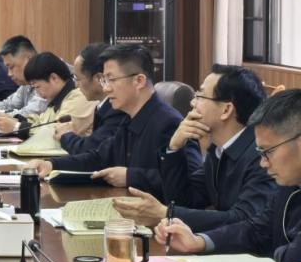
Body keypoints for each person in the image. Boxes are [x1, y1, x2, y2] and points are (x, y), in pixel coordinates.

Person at [24, 44, 201, 199]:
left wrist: (131, 176)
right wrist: (51, 164)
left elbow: (191, 184)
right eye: (104, 80)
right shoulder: (129, 117)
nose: (106, 88)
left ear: (139, 81)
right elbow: (99, 157)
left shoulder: (169, 123)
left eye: (111, 80)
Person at [114, 65, 276, 229]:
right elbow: (186, 200)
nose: (192, 102)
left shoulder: (262, 155)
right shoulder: (218, 150)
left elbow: (244, 220)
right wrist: (174, 149)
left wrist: (167, 213)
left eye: (200, 96)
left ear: (226, 110)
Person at [157, 89, 301, 262]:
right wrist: (198, 242)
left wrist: (278, 253)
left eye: (268, 152)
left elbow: (293, 259)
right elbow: (257, 229)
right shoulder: (289, 184)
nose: (263, 163)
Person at [0, 52, 93, 151]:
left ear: (54, 78)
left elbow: (55, 133)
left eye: (37, 87)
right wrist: (16, 119)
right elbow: (40, 121)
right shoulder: (56, 100)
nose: (38, 94)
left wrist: (17, 126)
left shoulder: (79, 98)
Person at [54, 42, 127, 155]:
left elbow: (93, 151)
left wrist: (66, 135)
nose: (76, 85)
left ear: (98, 78)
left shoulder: (118, 109)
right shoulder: (104, 105)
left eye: (78, 79)